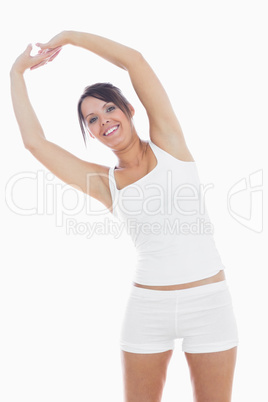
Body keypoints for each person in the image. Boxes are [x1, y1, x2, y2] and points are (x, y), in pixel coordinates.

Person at [10, 30, 238, 402]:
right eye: (92, 120)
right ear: (92, 134)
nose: (104, 122)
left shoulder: (169, 144)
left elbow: (135, 61)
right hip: (148, 309)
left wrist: (68, 37)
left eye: (109, 109)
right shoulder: (104, 184)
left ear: (129, 110)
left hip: (209, 302)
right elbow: (35, 142)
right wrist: (17, 73)